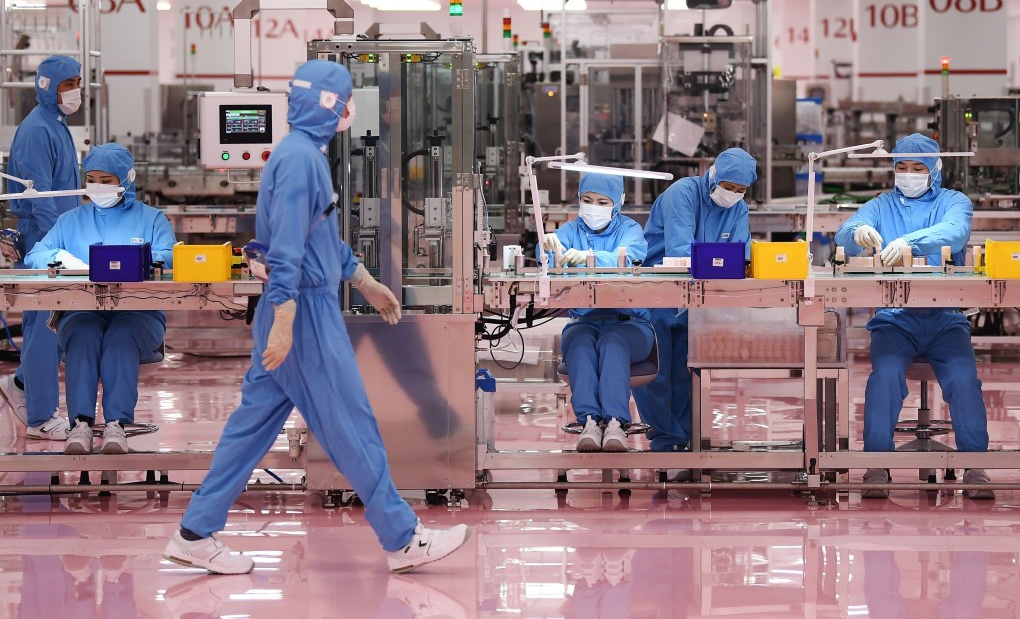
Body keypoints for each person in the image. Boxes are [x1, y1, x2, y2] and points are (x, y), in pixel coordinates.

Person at [163, 60, 470, 575]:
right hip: (303, 315)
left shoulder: (300, 154)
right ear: (332, 105)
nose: (353, 109)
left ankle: (195, 532)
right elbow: (285, 247)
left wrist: (363, 280)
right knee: (352, 422)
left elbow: (318, 235)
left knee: (250, 429)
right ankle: (401, 539)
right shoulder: (302, 160)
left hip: (297, 309)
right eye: (348, 99)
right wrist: (285, 316)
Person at [834, 133, 992, 499]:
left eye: (917, 167)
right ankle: (876, 465)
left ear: (934, 170)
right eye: (901, 167)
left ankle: (976, 467)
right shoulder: (880, 205)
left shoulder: (955, 201)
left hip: (945, 318)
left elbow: (956, 231)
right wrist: (858, 232)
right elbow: (842, 235)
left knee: (964, 379)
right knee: (884, 377)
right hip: (895, 320)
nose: (908, 174)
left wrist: (910, 242)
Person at [23, 144, 175, 454]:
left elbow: (170, 256)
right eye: (91, 179)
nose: (97, 187)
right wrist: (58, 257)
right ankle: (80, 424)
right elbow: (34, 255)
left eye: (106, 180)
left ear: (126, 179)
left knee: (120, 337)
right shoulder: (70, 221)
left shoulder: (152, 219)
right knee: (82, 335)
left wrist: (138, 261)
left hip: (138, 315)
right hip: (83, 312)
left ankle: (116, 425)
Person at [635, 148, 757, 455]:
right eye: (729, 187)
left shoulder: (738, 208)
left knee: (688, 371)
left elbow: (741, 257)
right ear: (713, 175)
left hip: (699, 298)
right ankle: (665, 442)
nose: (733, 195)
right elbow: (680, 251)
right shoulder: (683, 193)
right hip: (659, 293)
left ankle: (686, 439)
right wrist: (721, 263)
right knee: (657, 374)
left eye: (740, 191)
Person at [0, 55, 83, 440]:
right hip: (43, 240)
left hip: (57, 236)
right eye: (68, 84)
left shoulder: (57, 124)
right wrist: (58, 247)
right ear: (48, 86)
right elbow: (41, 197)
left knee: (59, 323)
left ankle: (20, 384)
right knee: (45, 327)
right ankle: (40, 417)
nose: (75, 91)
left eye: (78, 83)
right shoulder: (37, 130)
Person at [540, 173, 652, 451]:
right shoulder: (570, 230)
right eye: (587, 200)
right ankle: (589, 421)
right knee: (578, 344)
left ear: (617, 203)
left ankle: (615, 423)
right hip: (584, 321)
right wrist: (548, 249)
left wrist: (589, 259)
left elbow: (631, 256)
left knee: (612, 343)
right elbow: (550, 259)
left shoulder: (630, 229)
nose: (593, 207)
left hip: (630, 323)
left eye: (602, 201)